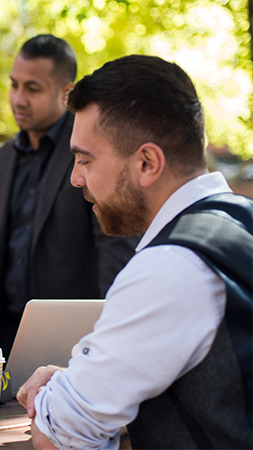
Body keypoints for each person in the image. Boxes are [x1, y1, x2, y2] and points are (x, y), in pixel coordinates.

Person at [17, 55, 253, 449]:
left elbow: (61, 436)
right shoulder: (243, 223)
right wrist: (81, 383)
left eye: (84, 159)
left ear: (146, 162)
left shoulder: (171, 267)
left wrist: (54, 401)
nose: (76, 178)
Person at [0, 34, 138, 357]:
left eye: (33, 88)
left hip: (71, 339)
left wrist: (110, 331)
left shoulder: (91, 153)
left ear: (66, 93)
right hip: (0, 334)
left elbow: (114, 243)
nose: (18, 99)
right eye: (14, 85)